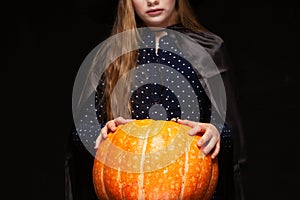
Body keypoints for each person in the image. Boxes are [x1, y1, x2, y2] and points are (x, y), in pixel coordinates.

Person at [66, 0, 247, 199]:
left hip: (192, 185)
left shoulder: (208, 48)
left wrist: (215, 132)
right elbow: (79, 134)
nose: (152, 1)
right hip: (129, 187)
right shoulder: (111, 54)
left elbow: (232, 136)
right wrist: (105, 133)